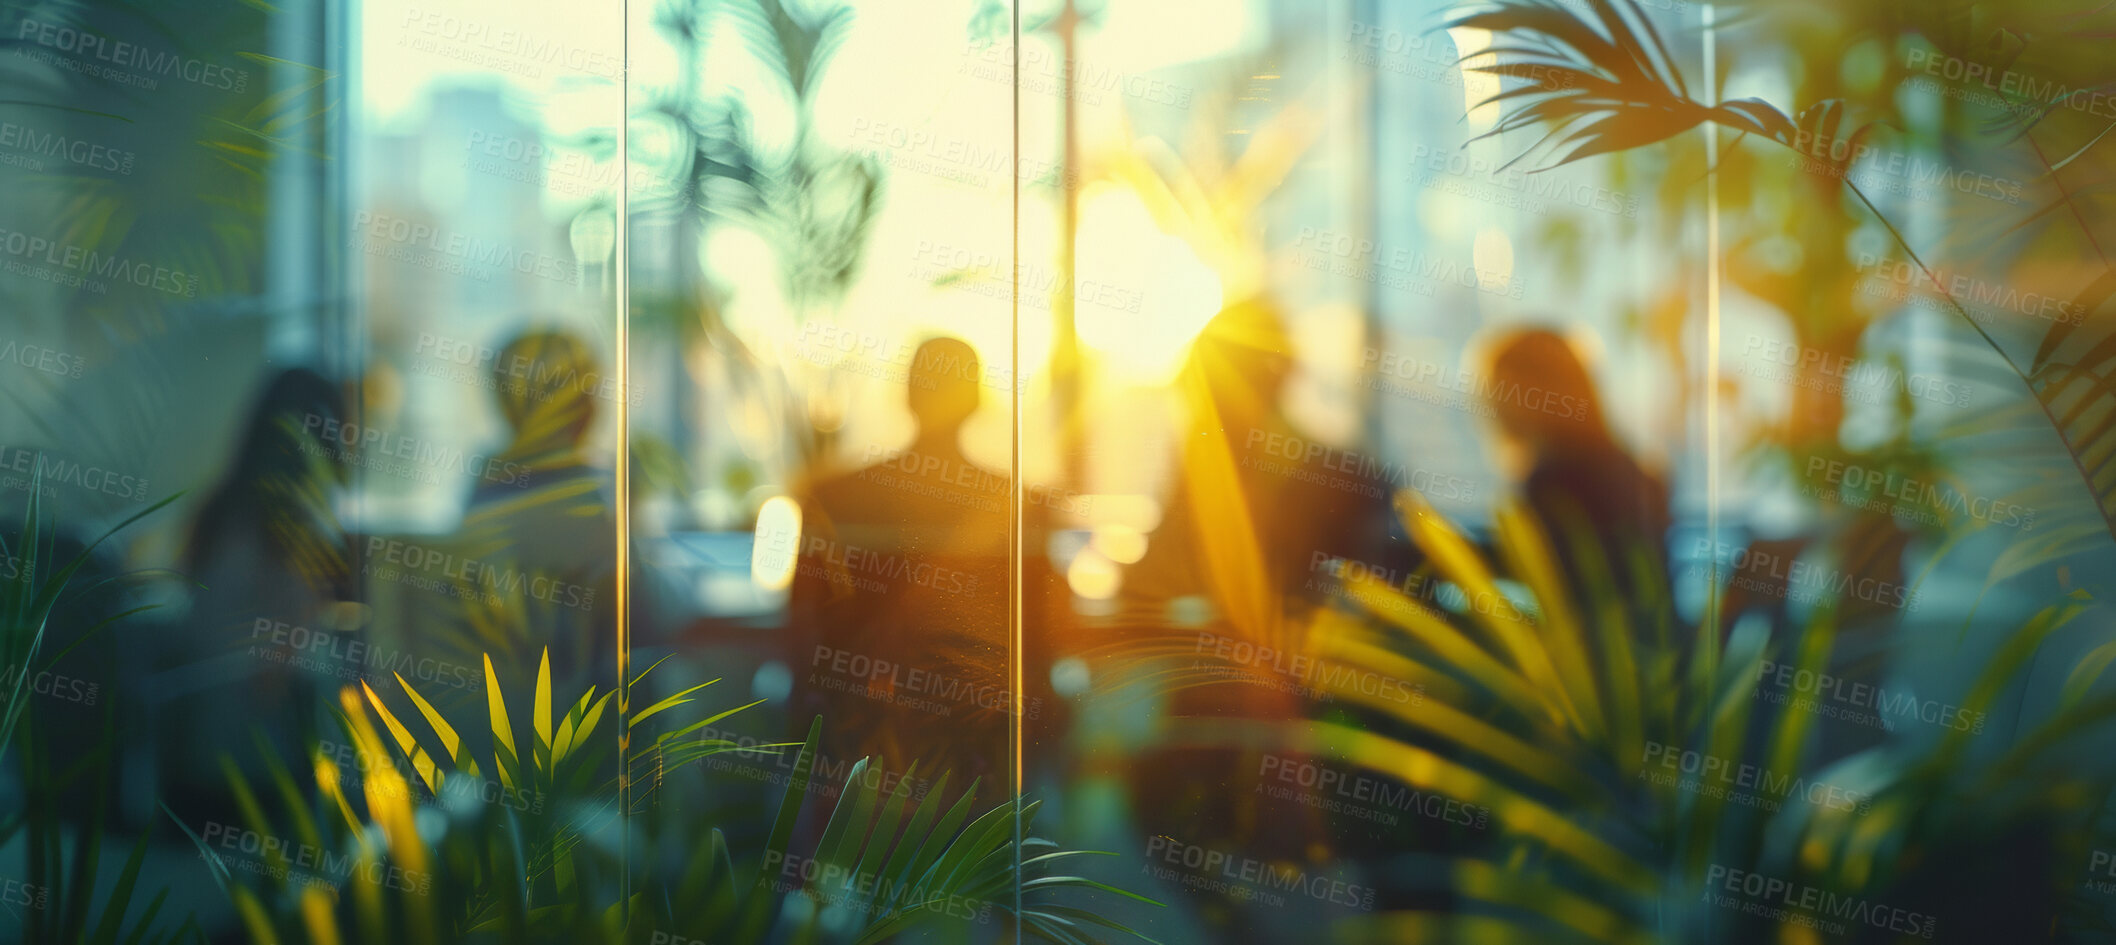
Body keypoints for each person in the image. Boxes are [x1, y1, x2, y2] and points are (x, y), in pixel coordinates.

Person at [785, 336, 1013, 791]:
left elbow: (804, 629)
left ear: (907, 395)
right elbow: (1037, 644)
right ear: (976, 402)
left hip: (856, 743)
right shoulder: (1013, 507)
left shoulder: (836, 497)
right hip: (972, 752)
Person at [1480, 327, 1671, 609]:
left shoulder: (1550, 484)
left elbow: (1558, 594)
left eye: (1500, 388)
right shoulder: (1637, 470)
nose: (1493, 404)